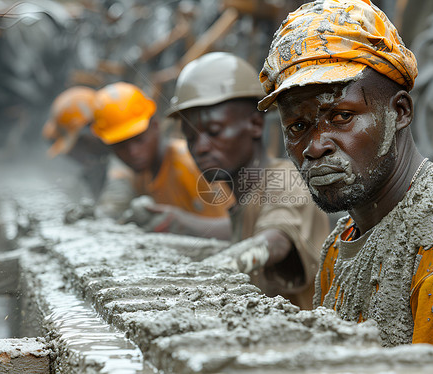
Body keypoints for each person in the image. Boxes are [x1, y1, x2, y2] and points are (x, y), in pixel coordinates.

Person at [258, 0, 433, 372]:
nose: (315, 145)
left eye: (341, 116)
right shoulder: (340, 244)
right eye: (297, 126)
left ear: (400, 112)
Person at [167, 52, 330, 309]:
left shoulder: (284, 178)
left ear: (255, 124)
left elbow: (274, 240)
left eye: (214, 132)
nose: (200, 147)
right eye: (191, 137)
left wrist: (204, 274)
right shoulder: (247, 195)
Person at [91, 81, 232, 238]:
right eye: (121, 146)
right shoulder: (142, 172)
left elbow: (241, 227)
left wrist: (183, 223)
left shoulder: (193, 166)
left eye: (139, 140)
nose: (133, 152)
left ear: (156, 125)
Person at [42, 86, 110, 198]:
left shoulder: (122, 162)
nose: (73, 156)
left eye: (76, 147)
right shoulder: (96, 168)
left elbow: (114, 202)